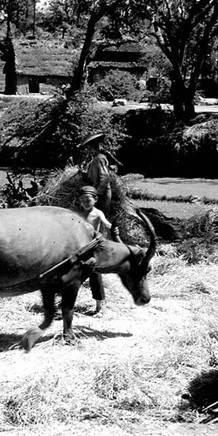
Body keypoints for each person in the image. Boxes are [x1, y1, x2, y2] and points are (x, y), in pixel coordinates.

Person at [77, 185, 120, 314]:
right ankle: (65, 302)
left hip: (94, 248)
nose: (85, 202)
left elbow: (106, 223)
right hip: (81, 247)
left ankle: (99, 306)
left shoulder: (97, 213)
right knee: (74, 275)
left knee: (95, 277)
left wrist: (113, 228)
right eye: (82, 199)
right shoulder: (78, 213)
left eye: (88, 200)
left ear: (95, 200)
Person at [79, 133, 112, 213]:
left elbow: (105, 177)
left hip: (102, 194)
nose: (88, 151)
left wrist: (97, 192)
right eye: (88, 149)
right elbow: (93, 176)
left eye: (90, 148)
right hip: (96, 192)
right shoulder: (94, 160)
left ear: (94, 148)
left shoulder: (99, 158)